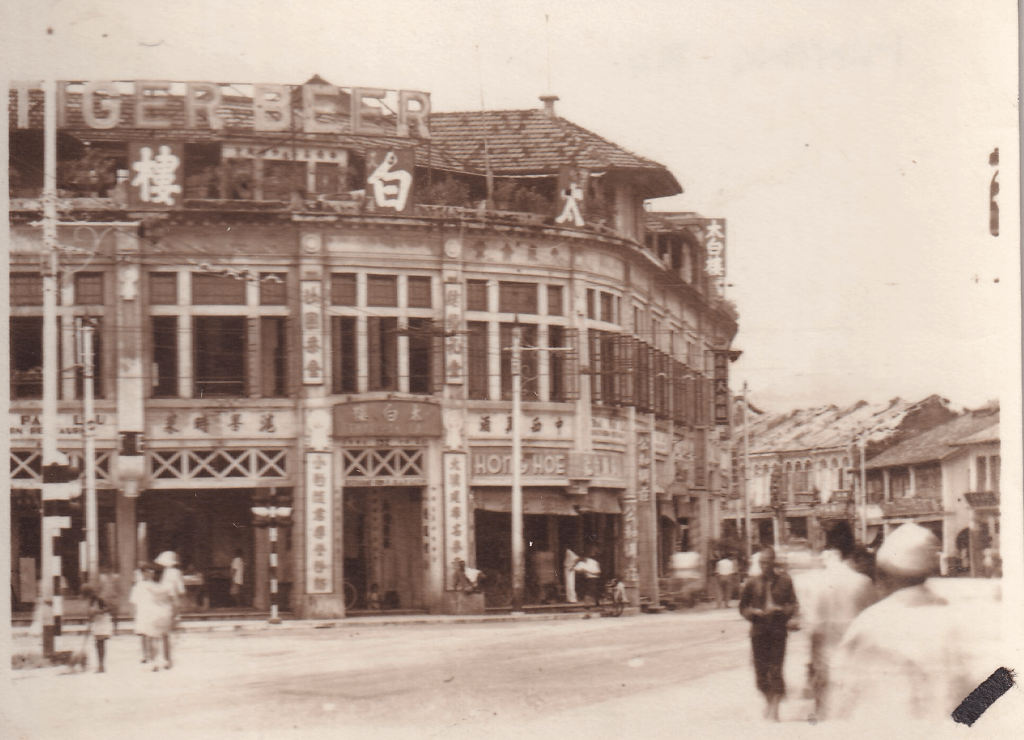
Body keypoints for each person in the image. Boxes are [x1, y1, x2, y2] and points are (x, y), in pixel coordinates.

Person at [829, 523, 999, 722]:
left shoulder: (871, 623)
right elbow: (986, 690)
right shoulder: (956, 621)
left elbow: (842, 695)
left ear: (884, 574)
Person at [804, 522, 877, 720]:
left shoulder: (817, 583)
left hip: (827, 664)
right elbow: (872, 632)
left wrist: (813, 669)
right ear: (851, 549)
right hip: (856, 665)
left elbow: (815, 632)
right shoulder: (863, 583)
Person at [738, 546, 799, 721]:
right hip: (758, 632)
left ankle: (774, 709)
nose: (764, 565)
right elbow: (742, 607)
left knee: (776, 670)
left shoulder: (785, 581)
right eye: (761, 562)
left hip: (778, 632)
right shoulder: (752, 582)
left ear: (773, 562)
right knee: (761, 675)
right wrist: (753, 614)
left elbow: (793, 604)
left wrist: (782, 610)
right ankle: (769, 700)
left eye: (766, 562)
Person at [82, 585, 114, 673]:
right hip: (97, 623)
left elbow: (109, 608)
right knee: (97, 644)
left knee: (101, 643)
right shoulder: (91, 602)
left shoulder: (99, 600)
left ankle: (101, 666)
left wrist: (99, 612)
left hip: (104, 623)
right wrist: (90, 618)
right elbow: (90, 613)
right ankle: (100, 665)